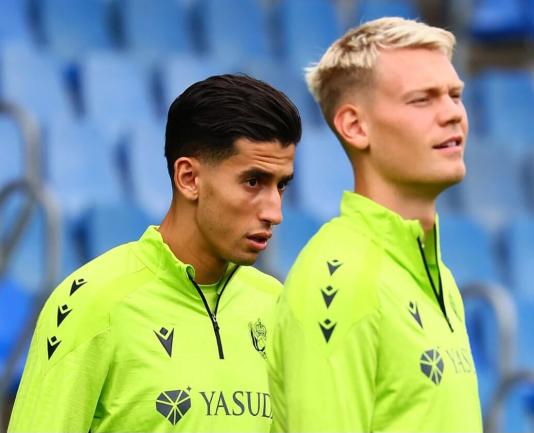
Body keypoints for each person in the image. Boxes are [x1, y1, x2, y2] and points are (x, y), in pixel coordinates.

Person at [9, 74, 301, 432]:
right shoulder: (91, 301)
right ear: (189, 178)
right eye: (253, 182)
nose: (275, 211)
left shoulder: (277, 304)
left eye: (281, 185)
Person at [268, 17, 482, 432]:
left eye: (455, 95)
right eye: (423, 100)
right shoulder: (339, 281)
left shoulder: (439, 277)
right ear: (355, 126)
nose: (452, 114)